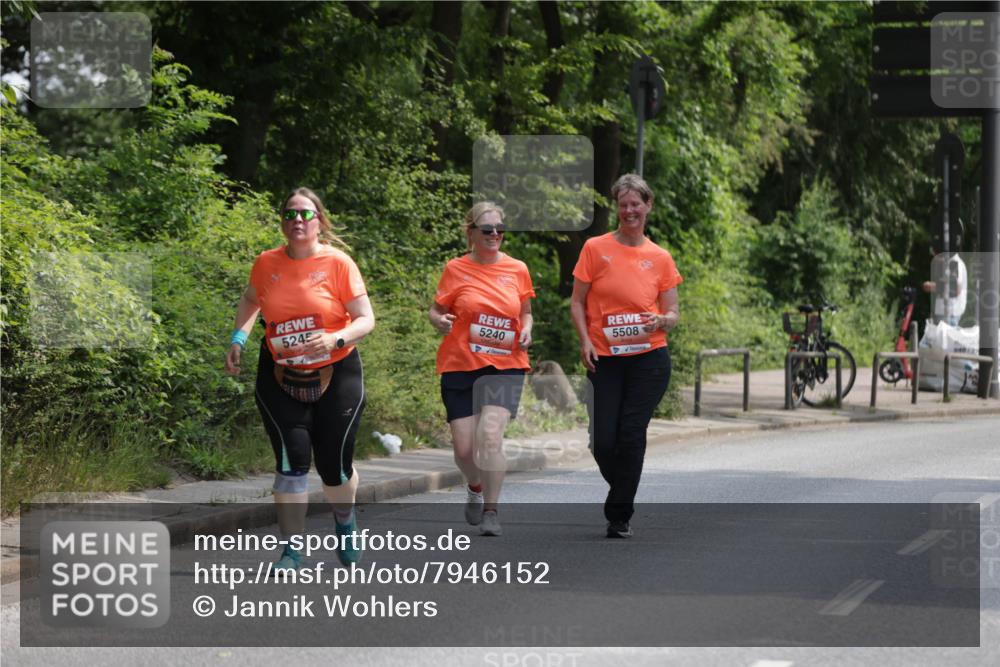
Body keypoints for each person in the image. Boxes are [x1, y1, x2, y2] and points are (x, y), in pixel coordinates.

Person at [225, 187, 374, 569]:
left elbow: (365, 319)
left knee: (334, 469)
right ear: (282, 222)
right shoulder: (266, 263)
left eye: (306, 214)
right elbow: (251, 298)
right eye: (290, 214)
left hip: (337, 372)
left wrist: (334, 338)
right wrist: (239, 338)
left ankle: (345, 522)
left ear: (319, 221)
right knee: (291, 463)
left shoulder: (338, 263)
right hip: (279, 373)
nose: (297, 220)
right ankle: (291, 550)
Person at [570, 174, 682, 538]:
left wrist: (662, 320)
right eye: (623, 205)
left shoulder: (660, 258)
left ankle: (619, 514)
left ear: (648, 206)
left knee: (631, 434)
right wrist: (585, 341)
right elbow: (577, 302)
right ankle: (623, 488)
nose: (629, 210)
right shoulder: (595, 248)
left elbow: (673, 313)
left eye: (635, 204)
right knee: (603, 441)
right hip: (604, 358)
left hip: (649, 359)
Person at [429, 202, 535, 536]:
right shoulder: (455, 268)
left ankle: (491, 510)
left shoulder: (517, 269)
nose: (494, 235)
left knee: (490, 437)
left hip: (505, 364)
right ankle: (474, 485)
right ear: (471, 232)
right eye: (487, 229)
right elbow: (436, 310)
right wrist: (439, 321)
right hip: (461, 364)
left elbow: (525, 311)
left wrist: (527, 328)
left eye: (500, 229)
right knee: (464, 450)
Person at [922, 248, 967, 326]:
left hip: (950, 313)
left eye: (936, 254)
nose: (935, 257)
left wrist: (933, 286)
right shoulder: (948, 263)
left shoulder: (954, 262)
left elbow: (956, 288)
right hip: (945, 312)